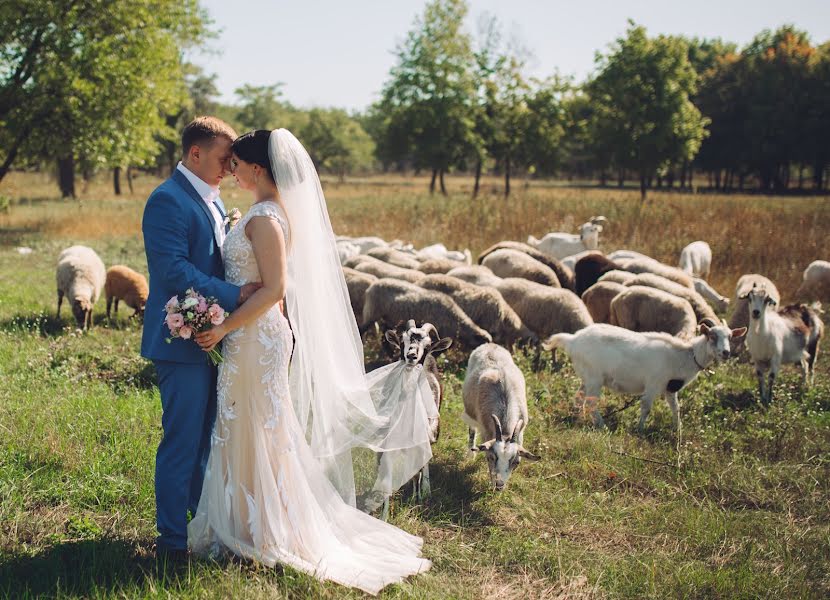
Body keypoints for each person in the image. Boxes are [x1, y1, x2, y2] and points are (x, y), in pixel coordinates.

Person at [189, 129, 433, 595]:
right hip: (253, 335)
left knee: (259, 428)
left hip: (255, 337)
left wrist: (222, 327)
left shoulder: (265, 218)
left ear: (258, 169)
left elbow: (276, 289)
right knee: (251, 428)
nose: (231, 170)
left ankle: (265, 526)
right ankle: (249, 521)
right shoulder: (268, 213)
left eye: (236, 163)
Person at [141, 116, 261, 564]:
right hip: (179, 339)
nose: (230, 169)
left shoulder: (212, 199)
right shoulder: (167, 200)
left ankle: (198, 523)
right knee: (182, 441)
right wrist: (236, 294)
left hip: (212, 336)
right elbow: (172, 271)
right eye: (223, 159)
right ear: (195, 153)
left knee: (208, 439)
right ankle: (171, 541)